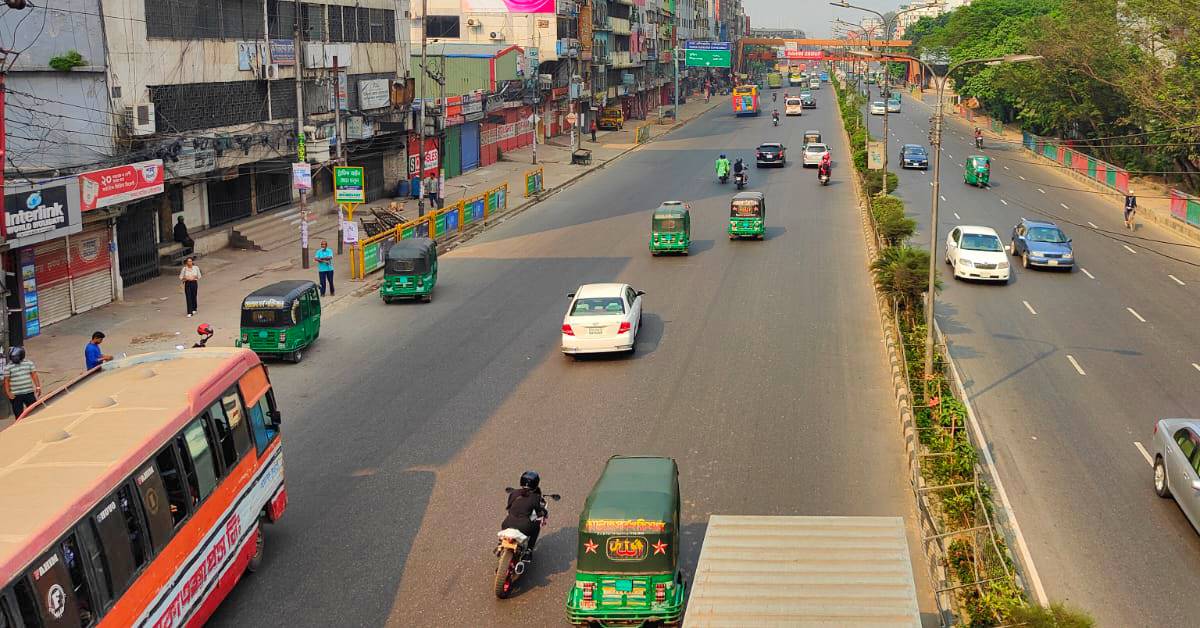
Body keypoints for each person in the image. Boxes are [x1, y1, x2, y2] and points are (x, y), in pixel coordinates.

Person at [501, 471, 548, 553]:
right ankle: (529, 550)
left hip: (506, 524)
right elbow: (539, 513)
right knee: (536, 526)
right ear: (536, 484)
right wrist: (545, 513)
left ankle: (501, 545)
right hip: (524, 527)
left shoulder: (513, 493)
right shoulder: (535, 497)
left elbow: (509, 507)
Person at [5, 346, 41, 418]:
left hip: (29, 393)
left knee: (34, 412)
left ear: (22, 356)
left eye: (16, 357)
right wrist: (8, 392)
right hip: (16, 395)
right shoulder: (8, 367)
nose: (14, 358)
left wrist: (38, 387)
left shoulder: (29, 363)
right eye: (13, 357)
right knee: (19, 415)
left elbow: (34, 375)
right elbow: (6, 381)